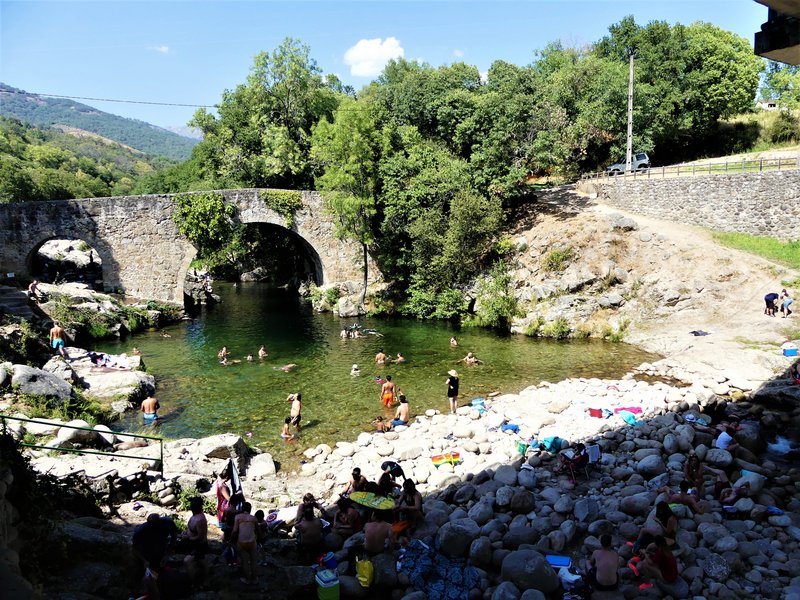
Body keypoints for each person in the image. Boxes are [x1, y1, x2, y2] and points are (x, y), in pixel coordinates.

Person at [132, 513, 178, 582]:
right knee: (147, 575)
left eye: (156, 525)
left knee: (161, 572)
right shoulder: (141, 531)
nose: (154, 527)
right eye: (152, 526)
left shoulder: (167, 523)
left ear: (159, 521)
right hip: (146, 552)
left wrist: (168, 553)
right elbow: (134, 549)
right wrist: (144, 560)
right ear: (148, 524)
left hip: (161, 548)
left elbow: (174, 536)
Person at [179, 497, 208, 583]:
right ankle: (204, 579)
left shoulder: (200, 520)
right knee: (201, 562)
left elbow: (200, 536)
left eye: (192, 505)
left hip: (199, 545)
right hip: (193, 543)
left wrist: (188, 538)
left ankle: (193, 582)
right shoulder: (195, 515)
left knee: (187, 561)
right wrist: (185, 533)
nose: (190, 507)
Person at [233, 502, 259, 586]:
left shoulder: (238, 517)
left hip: (241, 542)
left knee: (245, 562)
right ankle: (255, 579)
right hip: (252, 541)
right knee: (253, 561)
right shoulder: (254, 518)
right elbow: (257, 530)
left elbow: (235, 531)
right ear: (250, 509)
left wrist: (231, 541)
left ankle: (248, 580)